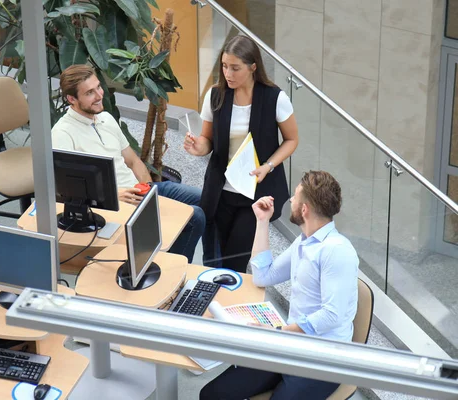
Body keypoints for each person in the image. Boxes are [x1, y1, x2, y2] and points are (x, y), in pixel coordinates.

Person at [199, 170, 359, 400]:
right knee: (213, 395)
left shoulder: (337, 251)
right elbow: (263, 276)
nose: (290, 201)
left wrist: (278, 332)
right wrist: (262, 222)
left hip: (324, 360)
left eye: (295, 197)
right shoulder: (303, 243)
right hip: (291, 344)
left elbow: (332, 316)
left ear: (304, 210)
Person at [51, 64, 205, 263]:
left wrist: (148, 189)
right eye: (90, 92)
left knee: (208, 198)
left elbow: (133, 161)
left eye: (98, 87)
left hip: (140, 191)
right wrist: (115, 196)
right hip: (116, 203)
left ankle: (208, 262)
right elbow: (67, 191)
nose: (99, 95)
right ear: (72, 99)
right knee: (196, 217)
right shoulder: (62, 134)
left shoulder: (105, 118)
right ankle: (171, 268)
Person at [184, 35, 298, 272]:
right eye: (224, 66)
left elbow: (292, 139)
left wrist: (268, 165)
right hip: (220, 193)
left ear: (253, 66)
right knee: (214, 260)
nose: (228, 73)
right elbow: (208, 141)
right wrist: (198, 147)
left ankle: (230, 302)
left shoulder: (275, 98)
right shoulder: (215, 95)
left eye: (235, 68)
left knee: (235, 262)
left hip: (255, 194)